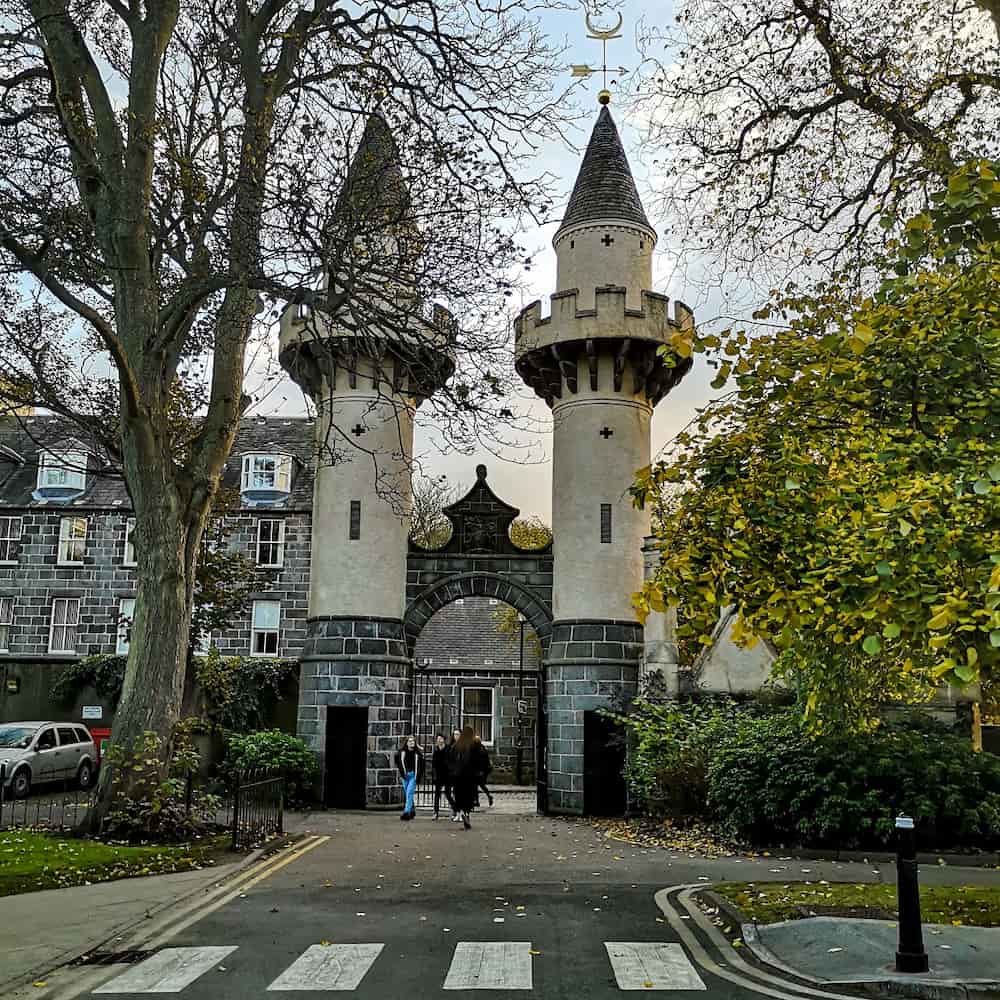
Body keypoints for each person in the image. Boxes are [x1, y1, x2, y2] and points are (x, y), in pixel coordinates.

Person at [450, 726, 484, 830]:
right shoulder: (473, 746)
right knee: (469, 796)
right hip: (469, 776)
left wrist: (453, 771)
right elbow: (479, 760)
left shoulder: (456, 746)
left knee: (459, 795)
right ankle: (467, 814)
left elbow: (451, 760)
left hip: (458, 776)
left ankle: (462, 812)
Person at [394, 735, 424, 821]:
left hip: (413, 776)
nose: (411, 742)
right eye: (410, 741)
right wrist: (402, 772)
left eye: (413, 741)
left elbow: (422, 765)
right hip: (405, 776)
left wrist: (418, 776)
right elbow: (397, 761)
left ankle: (406, 813)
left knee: (409, 793)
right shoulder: (402, 752)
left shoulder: (417, 753)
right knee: (407, 794)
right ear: (406, 743)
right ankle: (412, 810)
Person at [431, 733, 457, 821]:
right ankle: (435, 812)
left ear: (444, 740)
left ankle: (455, 810)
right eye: (438, 739)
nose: (439, 740)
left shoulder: (448, 749)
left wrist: (451, 771)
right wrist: (434, 775)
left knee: (448, 794)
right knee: (437, 794)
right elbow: (434, 764)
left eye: (441, 738)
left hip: (447, 775)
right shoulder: (436, 751)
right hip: (439, 775)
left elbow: (452, 761)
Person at [473, 734, 494, 808]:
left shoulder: (476, 749)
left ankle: (477, 801)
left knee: (476, 786)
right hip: (482, 771)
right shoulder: (483, 748)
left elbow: (476, 761)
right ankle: (487, 796)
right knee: (481, 786)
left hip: (478, 771)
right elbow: (486, 761)